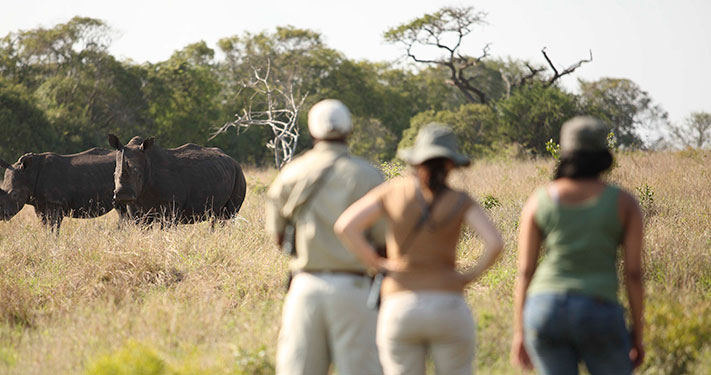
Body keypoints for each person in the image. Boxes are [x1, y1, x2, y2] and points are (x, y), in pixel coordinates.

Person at [335, 123, 503, 375]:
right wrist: (468, 276)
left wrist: (377, 263)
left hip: (400, 306)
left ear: (416, 160)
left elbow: (346, 226)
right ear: (450, 165)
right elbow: (495, 243)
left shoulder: (392, 191)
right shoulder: (460, 200)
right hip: (449, 305)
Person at [511, 116, 645, 375]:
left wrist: (520, 332)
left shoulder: (539, 200)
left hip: (544, 309)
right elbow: (634, 274)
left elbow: (525, 271)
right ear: (604, 154)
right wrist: (637, 334)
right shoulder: (624, 203)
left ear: (564, 153)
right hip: (599, 308)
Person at [266, 99, 386, 375]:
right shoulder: (369, 176)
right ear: (350, 130)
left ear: (312, 130)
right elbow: (383, 243)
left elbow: (279, 237)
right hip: (356, 290)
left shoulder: (291, 173)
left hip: (305, 287)